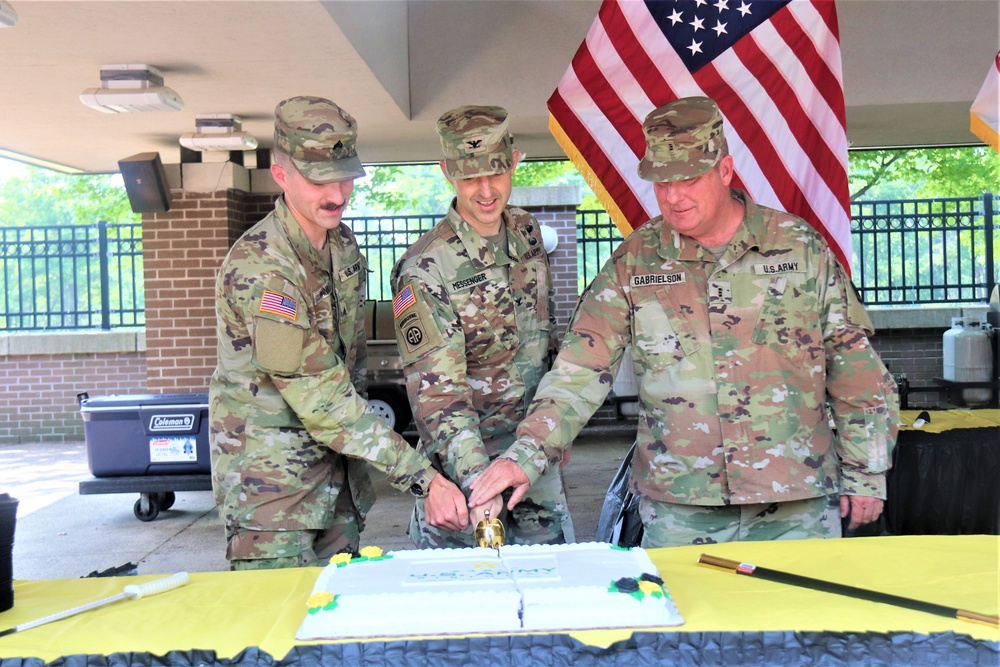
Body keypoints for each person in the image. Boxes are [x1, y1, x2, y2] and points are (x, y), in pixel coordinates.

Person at [469, 96, 899, 547]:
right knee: (680, 617)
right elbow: (579, 370)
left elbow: (855, 367)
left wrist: (867, 471)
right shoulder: (636, 262)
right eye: (661, 182)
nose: (673, 196)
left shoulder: (798, 248)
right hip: (681, 507)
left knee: (796, 617)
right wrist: (525, 456)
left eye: (688, 179)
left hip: (795, 500)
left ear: (725, 171)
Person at [209, 96, 468, 570]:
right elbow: (323, 398)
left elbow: (349, 369)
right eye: (318, 180)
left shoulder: (342, 245)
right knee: (279, 636)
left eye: (345, 176)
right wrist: (423, 479)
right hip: (274, 498)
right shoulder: (263, 269)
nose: (338, 194)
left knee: (337, 630)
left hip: (337, 485)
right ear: (281, 174)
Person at [389, 105, 574, 547]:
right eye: (470, 178)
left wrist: (553, 435)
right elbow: (438, 395)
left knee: (551, 596)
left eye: (495, 172)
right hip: (462, 472)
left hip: (531, 460)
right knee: (464, 605)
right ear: (446, 172)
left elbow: (545, 343)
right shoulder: (424, 268)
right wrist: (479, 481)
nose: (486, 190)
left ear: (514, 162)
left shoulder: (527, 233)